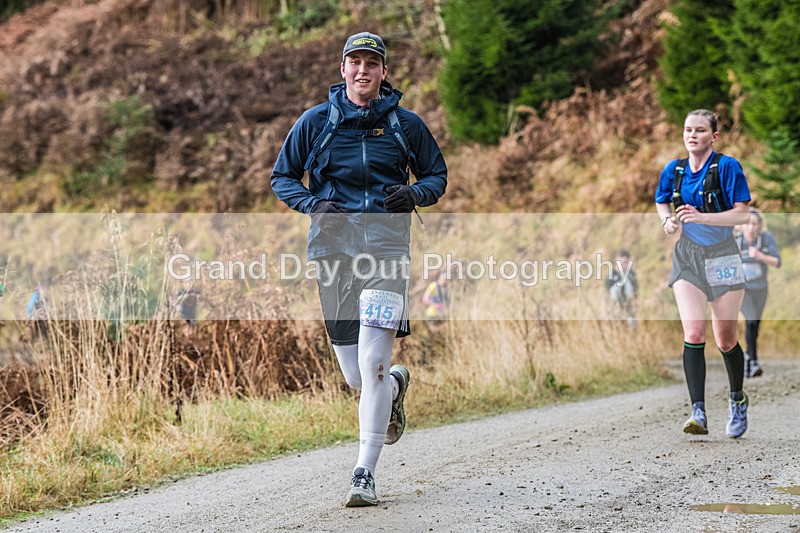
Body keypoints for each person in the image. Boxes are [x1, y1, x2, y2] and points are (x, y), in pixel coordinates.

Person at [270, 32, 447, 507]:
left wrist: (414, 194)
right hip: (332, 254)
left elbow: (437, 176)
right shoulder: (315, 123)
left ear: (384, 72)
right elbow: (281, 177)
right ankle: (394, 387)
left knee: (372, 363)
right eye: (356, 62)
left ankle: (363, 473)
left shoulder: (405, 126)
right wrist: (312, 204)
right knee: (355, 375)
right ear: (343, 69)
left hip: (386, 252)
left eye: (373, 63)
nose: (364, 70)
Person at [655, 109, 752, 438]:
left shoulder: (727, 167)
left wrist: (702, 218)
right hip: (688, 257)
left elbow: (742, 215)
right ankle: (698, 411)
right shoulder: (674, 170)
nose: (692, 135)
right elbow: (661, 202)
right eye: (687, 130)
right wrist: (667, 221)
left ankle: (737, 399)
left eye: (699, 130)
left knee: (725, 339)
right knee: (694, 333)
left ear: (714, 136)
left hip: (723, 256)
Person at [735, 208, 781, 378]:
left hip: (760, 288)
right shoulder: (736, 240)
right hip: (742, 289)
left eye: (754, 224)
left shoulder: (766, 239)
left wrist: (761, 256)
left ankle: (749, 357)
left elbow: (777, 261)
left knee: (755, 324)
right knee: (751, 319)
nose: (751, 227)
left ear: (760, 226)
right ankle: (753, 361)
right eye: (747, 223)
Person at [604, 249, 638, 329]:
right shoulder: (611, 274)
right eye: (621, 262)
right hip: (615, 307)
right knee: (616, 327)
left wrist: (635, 302)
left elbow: (636, 289)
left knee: (631, 327)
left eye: (625, 262)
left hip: (628, 306)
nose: (623, 265)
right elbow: (606, 292)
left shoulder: (631, 274)